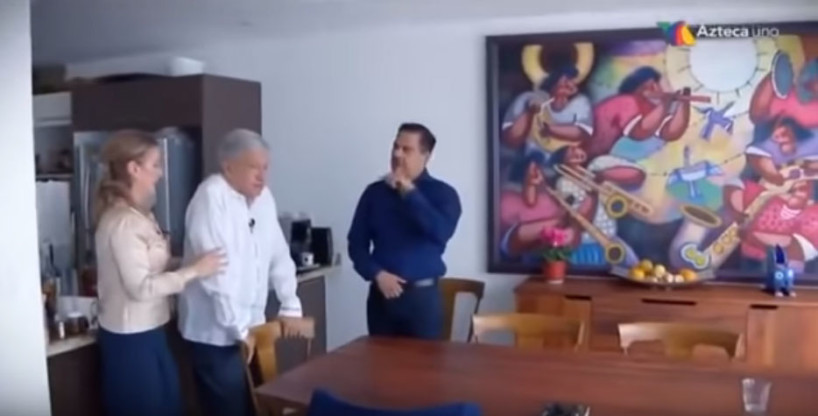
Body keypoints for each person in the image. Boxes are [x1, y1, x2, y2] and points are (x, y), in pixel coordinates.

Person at [93, 130, 225, 416]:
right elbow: (141, 288)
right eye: (155, 165)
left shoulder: (141, 216)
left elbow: (153, 267)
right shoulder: (123, 223)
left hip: (152, 332)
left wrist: (187, 263)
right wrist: (193, 271)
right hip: (131, 340)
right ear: (134, 168)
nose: (161, 173)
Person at [178, 128, 304, 416]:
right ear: (228, 167)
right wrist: (239, 328)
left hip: (252, 328)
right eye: (253, 168)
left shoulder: (264, 198)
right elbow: (215, 276)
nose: (262, 176)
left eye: (265, 167)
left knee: (259, 407)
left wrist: (290, 302)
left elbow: (278, 253)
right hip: (216, 334)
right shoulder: (211, 197)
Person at [348, 123, 462, 340]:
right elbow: (356, 244)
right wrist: (377, 274)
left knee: (424, 362)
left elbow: (440, 232)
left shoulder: (444, 194)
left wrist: (409, 192)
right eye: (395, 147)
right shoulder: (374, 193)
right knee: (379, 360)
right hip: (381, 299)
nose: (397, 154)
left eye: (406, 149)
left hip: (422, 300)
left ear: (426, 156)